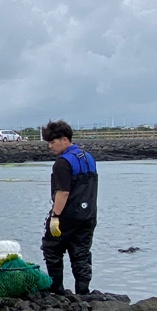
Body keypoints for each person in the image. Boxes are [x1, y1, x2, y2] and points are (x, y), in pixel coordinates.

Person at [41, 120, 98, 295]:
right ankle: (83, 291)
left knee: (52, 249)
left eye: (52, 142)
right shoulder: (88, 157)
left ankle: (56, 290)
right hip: (88, 215)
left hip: (66, 216)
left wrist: (55, 216)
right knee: (81, 254)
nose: (50, 146)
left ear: (64, 140)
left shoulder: (62, 163)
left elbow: (63, 192)